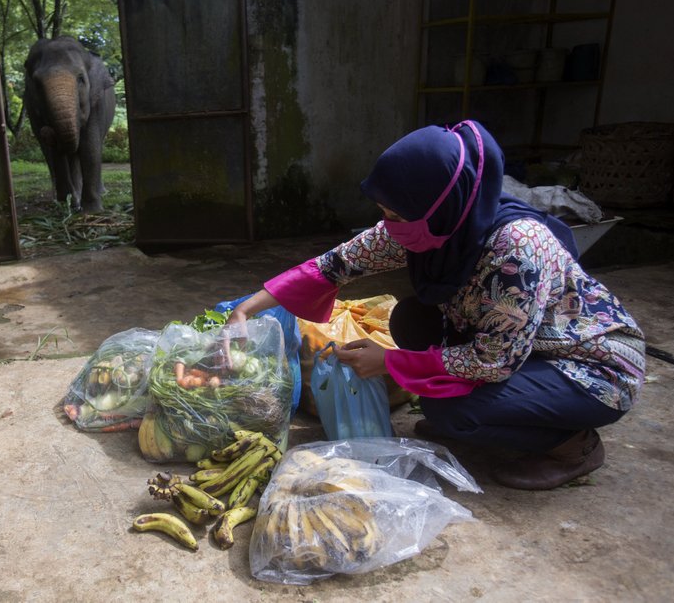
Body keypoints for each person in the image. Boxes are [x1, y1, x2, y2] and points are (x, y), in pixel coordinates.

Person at [227, 120, 645, 490]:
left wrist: (391, 364)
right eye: (384, 211)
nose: (389, 224)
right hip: (521, 344)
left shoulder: (517, 249)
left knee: (449, 409)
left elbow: (494, 362)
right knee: (410, 318)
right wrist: (246, 309)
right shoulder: (430, 221)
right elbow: (337, 264)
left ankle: (574, 445)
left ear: (444, 204)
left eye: (396, 214)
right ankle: (500, 414)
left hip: (589, 364)